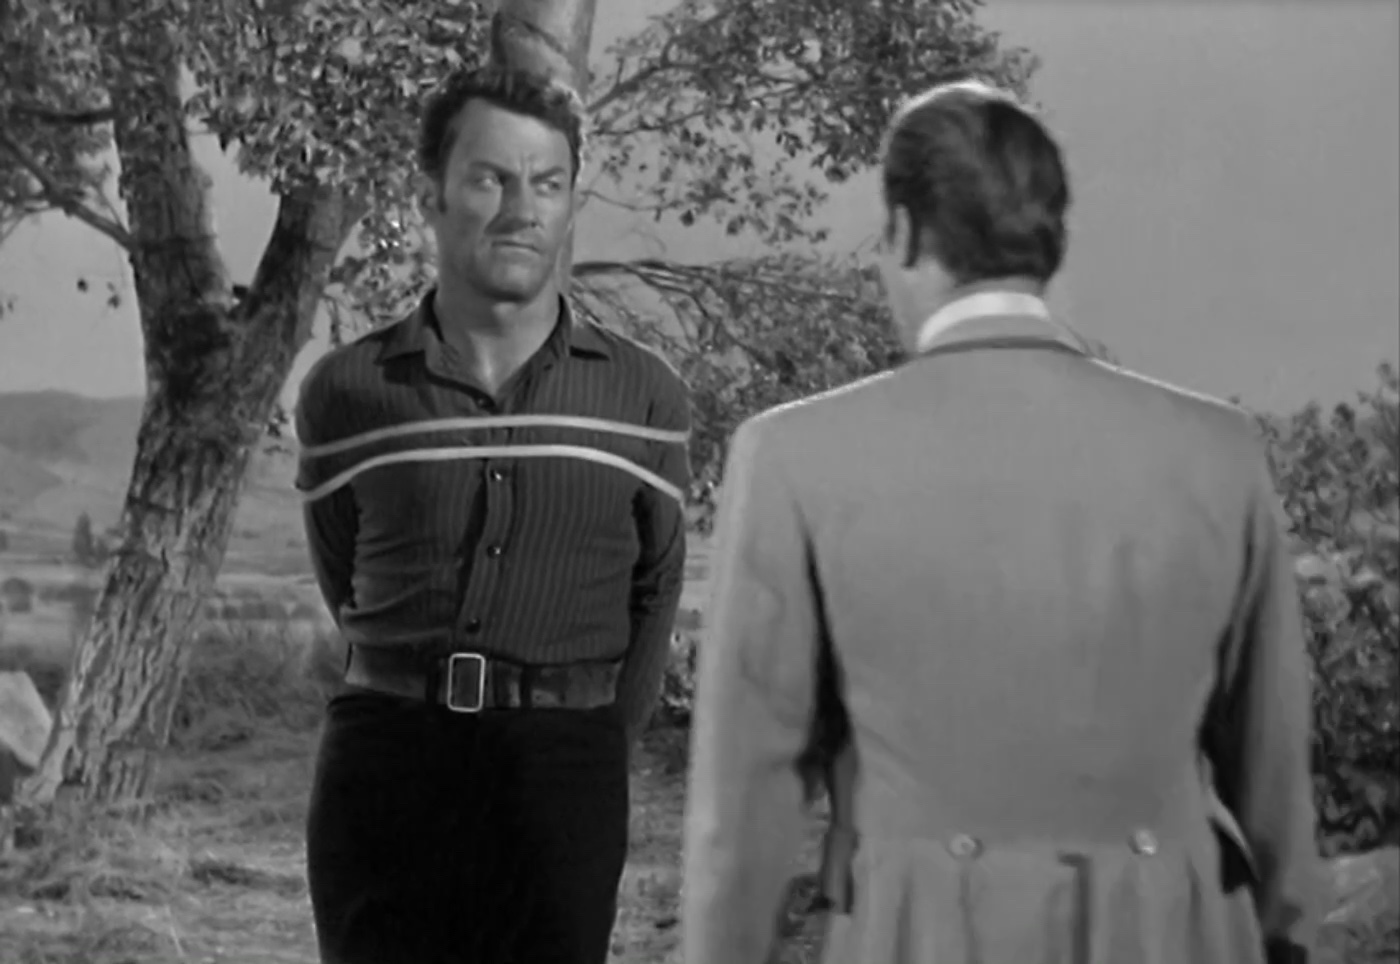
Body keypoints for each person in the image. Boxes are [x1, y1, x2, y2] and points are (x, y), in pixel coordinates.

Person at [681, 79, 1320, 964]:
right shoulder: (1222, 451)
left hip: (920, 935)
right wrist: (1292, 937)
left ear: (904, 230)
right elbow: (1273, 772)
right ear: (1049, 237)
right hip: (1178, 931)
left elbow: (744, 802)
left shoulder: (791, 456)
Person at [295, 64, 691, 964]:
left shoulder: (642, 396)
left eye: (547, 183)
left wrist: (593, 743)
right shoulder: (349, 392)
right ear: (431, 197)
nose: (522, 210)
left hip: (564, 777)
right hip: (385, 769)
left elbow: (657, 587)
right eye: (490, 179)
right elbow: (344, 574)